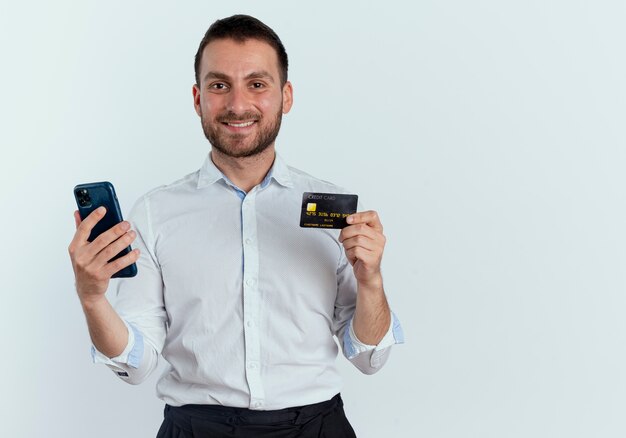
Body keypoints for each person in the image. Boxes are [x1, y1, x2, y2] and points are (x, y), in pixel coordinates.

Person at [68, 14, 403, 438]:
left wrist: (371, 280)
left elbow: (369, 359)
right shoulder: (155, 212)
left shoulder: (333, 211)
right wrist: (92, 298)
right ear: (198, 98)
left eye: (257, 84)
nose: (238, 104)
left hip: (316, 428)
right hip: (195, 429)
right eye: (219, 85)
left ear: (286, 96)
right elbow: (135, 367)